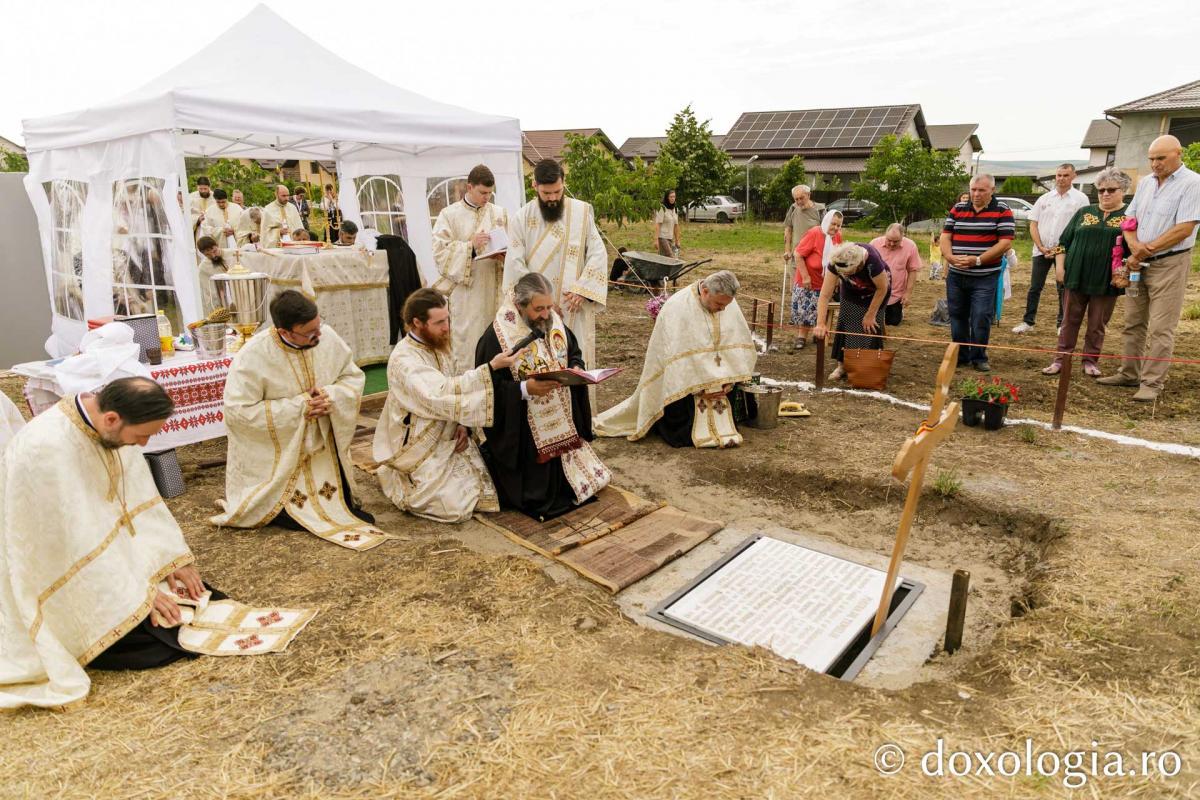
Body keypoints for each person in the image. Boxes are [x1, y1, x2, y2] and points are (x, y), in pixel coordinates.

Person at [0, 379, 205, 707]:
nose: (143, 444)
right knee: (153, 641)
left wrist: (171, 557)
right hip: (56, 572)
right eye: (141, 436)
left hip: (112, 561)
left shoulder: (111, 429)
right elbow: (72, 544)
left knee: (191, 602)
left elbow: (137, 497)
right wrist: (139, 593)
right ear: (111, 419)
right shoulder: (45, 449)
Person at [212, 290, 389, 550]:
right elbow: (239, 413)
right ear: (285, 332)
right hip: (283, 458)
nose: (319, 336)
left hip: (324, 449)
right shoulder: (252, 357)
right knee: (294, 513)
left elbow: (352, 377)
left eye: (319, 326)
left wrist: (330, 396)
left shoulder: (327, 337)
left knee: (348, 509)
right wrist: (300, 407)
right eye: (310, 333)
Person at [374, 289, 529, 522]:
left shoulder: (435, 340)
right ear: (417, 322)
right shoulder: (404, 360)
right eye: (439, 322)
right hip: (419, 439)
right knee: (454, 507)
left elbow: (453, 380)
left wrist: (461, 424)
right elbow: (439, 394)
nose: (446, 327)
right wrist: (490, 369)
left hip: (447, 425)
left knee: (493, 481)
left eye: (447, 319)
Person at [474, 272, 610, 520]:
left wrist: (577, 367)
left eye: (549, 306)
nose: (547, 314)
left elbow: (573, 351)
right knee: (536, 496)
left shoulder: (553, 321)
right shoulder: (496, 337)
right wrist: (525, 390)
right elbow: (487, 389)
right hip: (524, 434)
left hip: (562, 422)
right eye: (539, 309)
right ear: (519, 305)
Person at [595, 270, 756, 448]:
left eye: (726, 305)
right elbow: (673, 360)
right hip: (686, 389)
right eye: (719, 304)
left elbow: (736, 349)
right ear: (705, 291)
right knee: (681, 427)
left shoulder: (727, 305)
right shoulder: (677, 307)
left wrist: (729, 381)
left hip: (722, 385)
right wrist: (699, 387)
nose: (723, 309)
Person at [1098, 134, 1200, 401]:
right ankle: (1129, 373)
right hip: (1137, 263)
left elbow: (1185, 227)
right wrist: (1134, 245)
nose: (1155, 164)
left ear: (1178, 154)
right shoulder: (1145, 183)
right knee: (1133, 321)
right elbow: (1129, 219)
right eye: (1152, 159)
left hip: (1169, 263)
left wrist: (1147, 248)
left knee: (1161, 326)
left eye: (1161, 158)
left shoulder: (1193, 184)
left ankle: (1152, 383)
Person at [503, 159, 608, 379]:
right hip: (537, 309)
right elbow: (515, 263)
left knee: (575, 361)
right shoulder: (521, 218)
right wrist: (542, 303)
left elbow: (597, 252)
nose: (552, 198)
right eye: (546, 193)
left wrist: (583, 289)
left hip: (573, 305)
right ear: (535, 187)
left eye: (557, 192)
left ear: (563, 183)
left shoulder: (581, 212)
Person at [1041, 168, 1132, 378]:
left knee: (1097, 324)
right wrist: (1061, 268)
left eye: (1111, 189)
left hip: (1106, 280)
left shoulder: (1129, 216)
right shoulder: (1084, 213)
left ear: (1123, 190)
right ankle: (1061, 360)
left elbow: (1133, 249)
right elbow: (1064, 243)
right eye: (1101, 190)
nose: (1105, 194)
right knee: (1068, 320)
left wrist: (1124, 273)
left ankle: (1090, 360)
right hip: (1076, 275)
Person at [430, 164, 511, 374]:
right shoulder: (449, 215)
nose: (487, 198)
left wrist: (506, 255)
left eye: (490, 193)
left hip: (496, 291)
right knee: (469, 348)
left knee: (499, 343)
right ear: (469, 187)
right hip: (468, 297)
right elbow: (440, 253)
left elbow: (514, 246)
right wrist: (470, 247)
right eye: (482, 193)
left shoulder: (500, 213)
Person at [940, 174, 1015, 371]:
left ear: (992, 190)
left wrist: (979, 260)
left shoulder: (1003, 211)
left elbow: (1005, 243)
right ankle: (961, 355)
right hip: (956, 274)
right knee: (957, 314)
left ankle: (979, 357)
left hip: (985, 276)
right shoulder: (958, 208)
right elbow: (946, 236)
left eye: (981, 190)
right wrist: (949, 256)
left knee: (981, 316)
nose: (976, 194)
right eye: (973, 189)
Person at [1013, 164, 1089, 335]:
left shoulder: (1081, 199)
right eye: (1059, 175)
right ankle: (1028, 321)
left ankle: (1062, 324)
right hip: (1041, 250)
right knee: (1034, 287)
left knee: (1062, 287)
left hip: (1064, 252)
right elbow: (1033, 224)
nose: (1061, 178)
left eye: (1065, 175)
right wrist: (1040, 246)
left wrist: (1062, 247)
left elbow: (1081, 226)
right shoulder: (1044, 198)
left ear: (1073, 176)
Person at [814, 242, 891, 382]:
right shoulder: (836, 262)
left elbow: (882, 288)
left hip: (877, 292)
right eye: (842, 274)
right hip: (851, 293)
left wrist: (870, 314)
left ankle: (866, 366)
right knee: (847, 321)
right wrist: (820, 323)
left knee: (869, 326)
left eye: (848, 273)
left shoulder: (871, 261)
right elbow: (825, 295)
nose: (844, 275)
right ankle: (842, 366)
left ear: (858, 265)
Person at [791, 210, 842, 350]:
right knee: (805, 310)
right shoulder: (814, 233)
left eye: (838, 225)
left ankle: (817, 331)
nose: (836, 228)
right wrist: (806, 276)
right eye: (833, 224)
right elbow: (798, 254)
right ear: (826, 221)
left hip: (825, 281)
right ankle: (801, 336)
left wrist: (837, 280)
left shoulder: (837, 237)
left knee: (821, 308)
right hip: (807, 279)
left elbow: (838, 258)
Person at [871, 223, 923, 327]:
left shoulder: (910, 246)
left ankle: (898, 312)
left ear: (902, 237)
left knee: (893, 322)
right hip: (874, 291)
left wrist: (907, 293)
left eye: (896, 241)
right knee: (874, 320)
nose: (891, 243)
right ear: (885, 234)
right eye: (889, 240)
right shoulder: (874, 244)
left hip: (895, 293)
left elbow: (913, 270)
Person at [196, 235, 227, 314]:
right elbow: (209, 293)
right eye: (208, 255)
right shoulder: (203, 268)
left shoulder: (232, 254)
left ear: (217, 245)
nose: (213, 256)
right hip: (223, 304)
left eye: (214, 251)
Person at [654, 190, 681, 257]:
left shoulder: (675, 209)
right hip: (662, 237)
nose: (673, 198)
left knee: (664, 258)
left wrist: (677, 240)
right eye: (671, 197)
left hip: (670, 237)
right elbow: (658, 224)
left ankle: (658, 267)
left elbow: (676, 226)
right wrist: (656, 240)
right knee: (670, 257)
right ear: (667, 198)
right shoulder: (662, 208)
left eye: (674, 197)